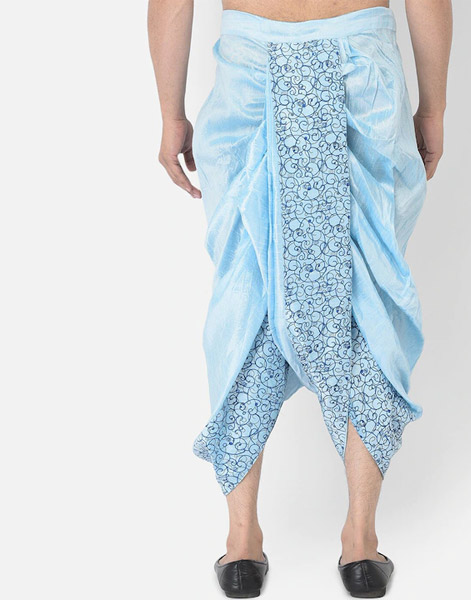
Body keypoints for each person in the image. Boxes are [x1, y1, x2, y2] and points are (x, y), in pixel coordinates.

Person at [148, 0, 452, 597]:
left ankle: (241, 545)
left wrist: (170, 113)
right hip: (362, 72)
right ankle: (360, 544)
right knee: (367, 295)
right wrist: (434, 108)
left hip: (251, 73)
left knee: (248, 294)